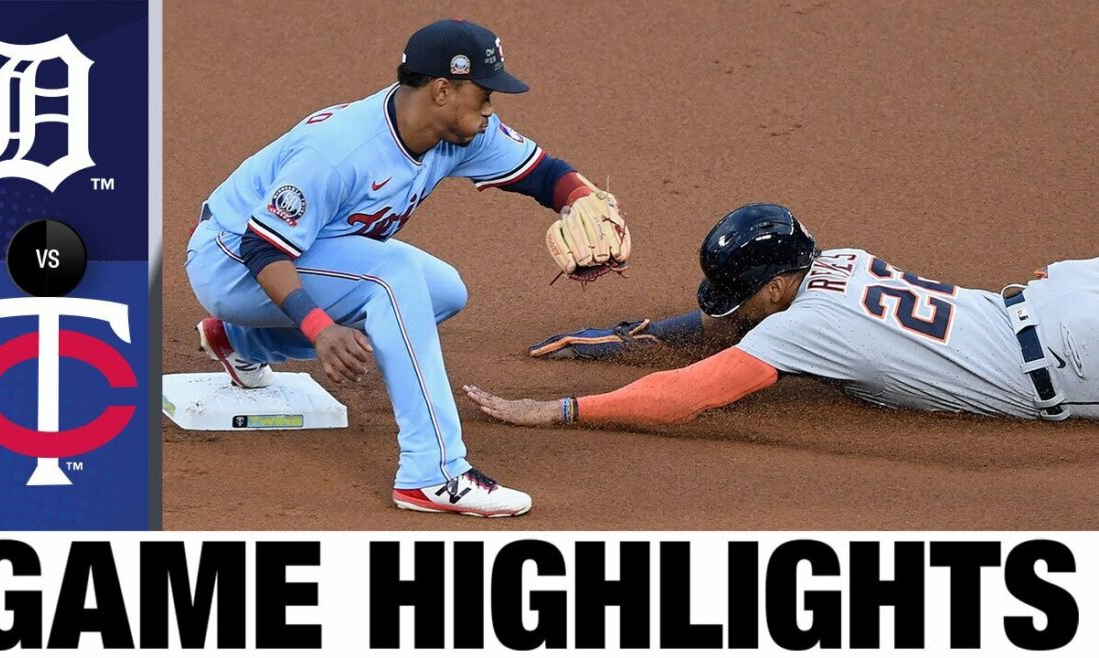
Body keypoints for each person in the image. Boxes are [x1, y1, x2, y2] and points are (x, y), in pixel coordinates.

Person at [185, 19, 631, 518]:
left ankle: (242, 341)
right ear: (442, 90)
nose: (490, 110)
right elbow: (263, 249)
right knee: (394, 277)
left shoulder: (456, 130)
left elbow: (543, 173)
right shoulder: (340, 151)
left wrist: (580, 199)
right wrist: (320, 328)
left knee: (442, 291)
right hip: (230, 261)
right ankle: (432, 474)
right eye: (483, 95)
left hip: (306, 248)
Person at [465, 203, 1099, 427]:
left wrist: (564, 409)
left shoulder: (805, 329)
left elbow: (687, 396)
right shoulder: (841, 260)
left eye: (743, 298)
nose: (735, 312)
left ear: (773, 291)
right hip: (1057, 296)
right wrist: (639, 336)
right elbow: (725, 330)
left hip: (1073, 359)